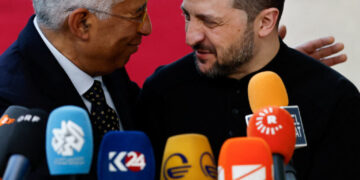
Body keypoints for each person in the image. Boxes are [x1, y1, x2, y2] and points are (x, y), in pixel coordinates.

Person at [135, 0, 360, 179]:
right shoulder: (163, 91)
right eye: (187, 16)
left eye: (210, 22)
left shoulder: (334, 99)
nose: (191, 36)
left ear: (265, 23)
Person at [0, 0, 151, 179]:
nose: (146, 28)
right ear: (82, 24)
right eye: (137, 14)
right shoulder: (9, 101)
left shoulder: (102, 59)